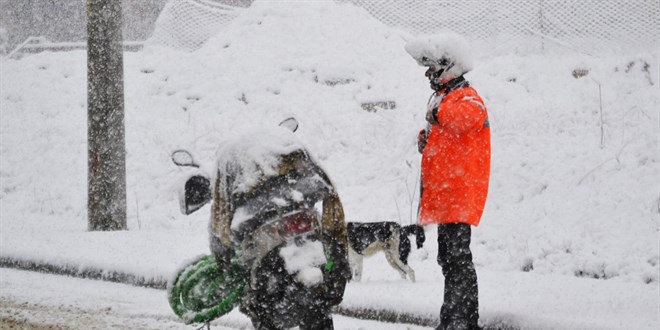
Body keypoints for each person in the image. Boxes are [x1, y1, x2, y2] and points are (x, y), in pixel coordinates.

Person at [206, 128, 351, 330]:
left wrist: (223, 255)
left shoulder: (231, 158)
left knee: (259, 297)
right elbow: (324, 183)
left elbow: (220, 218)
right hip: (300, 216)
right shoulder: (289, 146)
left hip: (267, 233)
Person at [405, 33, 491, 330]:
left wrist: (438, 113)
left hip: (459, 193)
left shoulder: (466, 96)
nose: (428, 74)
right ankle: (458, 319)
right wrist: (427, 139)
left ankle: (459, 321)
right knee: (450, 259)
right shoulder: (447, 97)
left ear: (448, 67)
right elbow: (450, 134)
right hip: (446, 194)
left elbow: (469, 117)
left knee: (457, 260)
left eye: (432, 68)